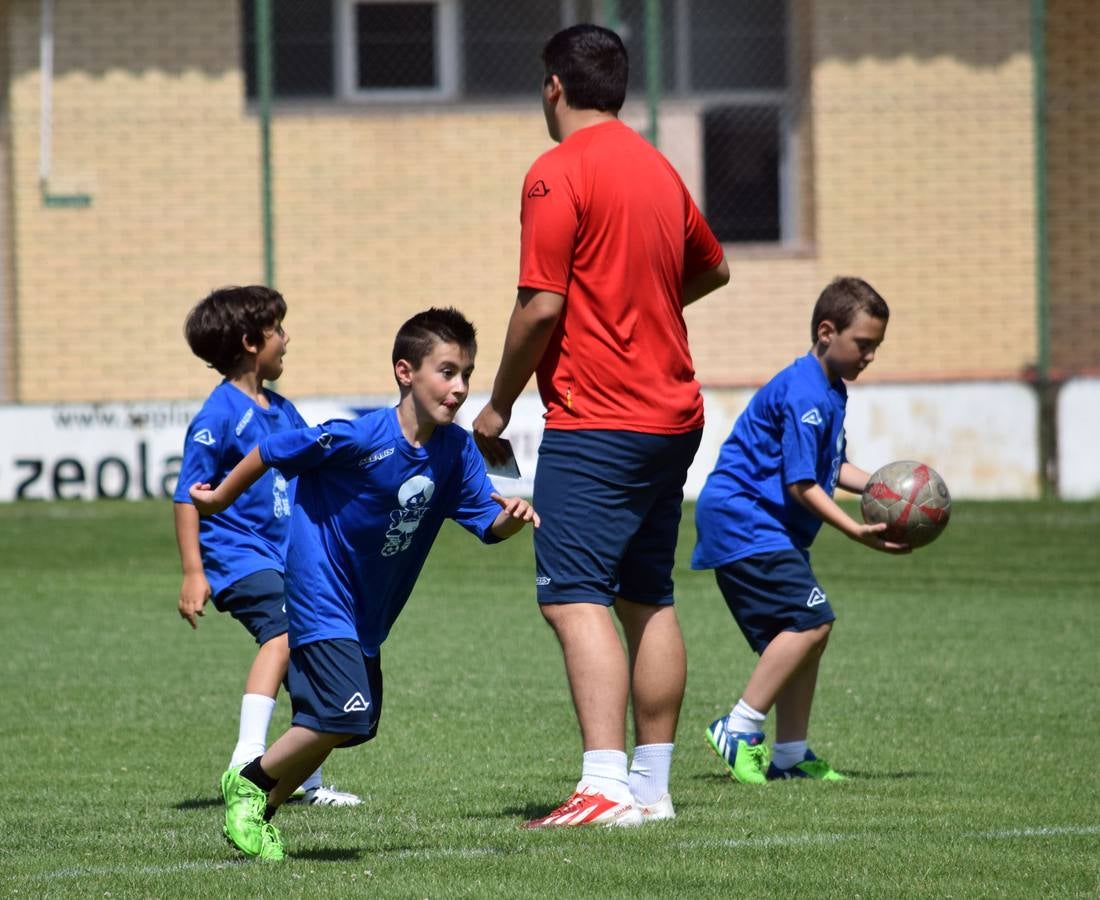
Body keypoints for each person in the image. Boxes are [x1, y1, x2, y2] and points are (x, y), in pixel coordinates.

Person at [472, 24, 730, 828]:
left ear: (554, 87)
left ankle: (603, 784)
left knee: (572, 595)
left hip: (601, 417)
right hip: (672, 414)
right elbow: (713, 267)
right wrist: (641, 308)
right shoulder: (656, 166)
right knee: (645, 596)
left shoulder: (555, 172)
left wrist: (499, 401)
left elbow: (540, 303)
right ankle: (651, 791)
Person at [190, 307, 539, 861]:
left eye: (467, 374)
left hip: (368, 613)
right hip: (319, 593)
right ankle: (251, 782)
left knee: (354, 726)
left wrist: (511, 519)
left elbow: (484, 525)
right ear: (406, 372)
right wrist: (222, 497)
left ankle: (263, 807)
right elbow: (273, 451)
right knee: (341, 714)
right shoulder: (359, 437)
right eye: (446, 372)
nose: (460, 388)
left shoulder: (455, 451)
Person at [692, 277, 909, 785]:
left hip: (766, 526)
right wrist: (856, 530)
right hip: (744, 519)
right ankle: (738, 727)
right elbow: (802, 484)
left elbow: (832, 467)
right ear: (826, 331)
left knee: (805, 635)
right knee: (814, 622)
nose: (870, 356)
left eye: (876, 346)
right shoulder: (805, 392)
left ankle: (790, 755)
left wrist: (889, 488)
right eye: (863, 344)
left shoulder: (830, 390)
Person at [173, 285, 360, 807]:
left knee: (309, 653)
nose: (286, 338)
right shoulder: (219, 414)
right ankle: (246, 761)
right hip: (238, 557)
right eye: (278, 329)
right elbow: (186, 495)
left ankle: (303, 782)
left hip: (286, 559)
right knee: (282, 636)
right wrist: (194, 571)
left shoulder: (281, 410)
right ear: (252, 341)